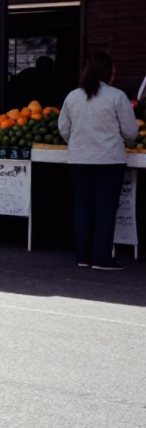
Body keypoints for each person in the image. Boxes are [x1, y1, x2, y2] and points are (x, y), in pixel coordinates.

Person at [58, 52, 138, 272]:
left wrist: (77, 140)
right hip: (109, 161)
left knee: (82, 208)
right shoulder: (117, 96)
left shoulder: (73, 96)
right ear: (108, 72)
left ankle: (83, 257)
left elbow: (64, 128)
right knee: (105, 209)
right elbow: (131, 132)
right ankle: (102, 258)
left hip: (78, 159)